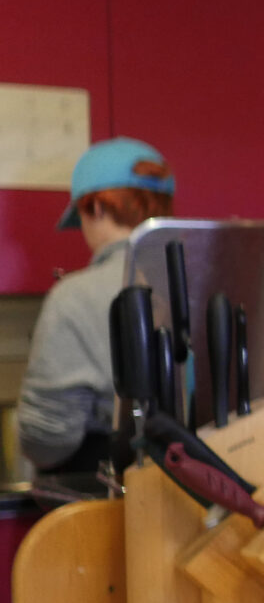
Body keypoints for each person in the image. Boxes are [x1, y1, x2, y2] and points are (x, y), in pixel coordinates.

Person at [18, 138, 176, 479]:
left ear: (98, 208)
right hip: (204, 486)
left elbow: (47, 441)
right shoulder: (206, 276)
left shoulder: (73, 297)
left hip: (111, 495)